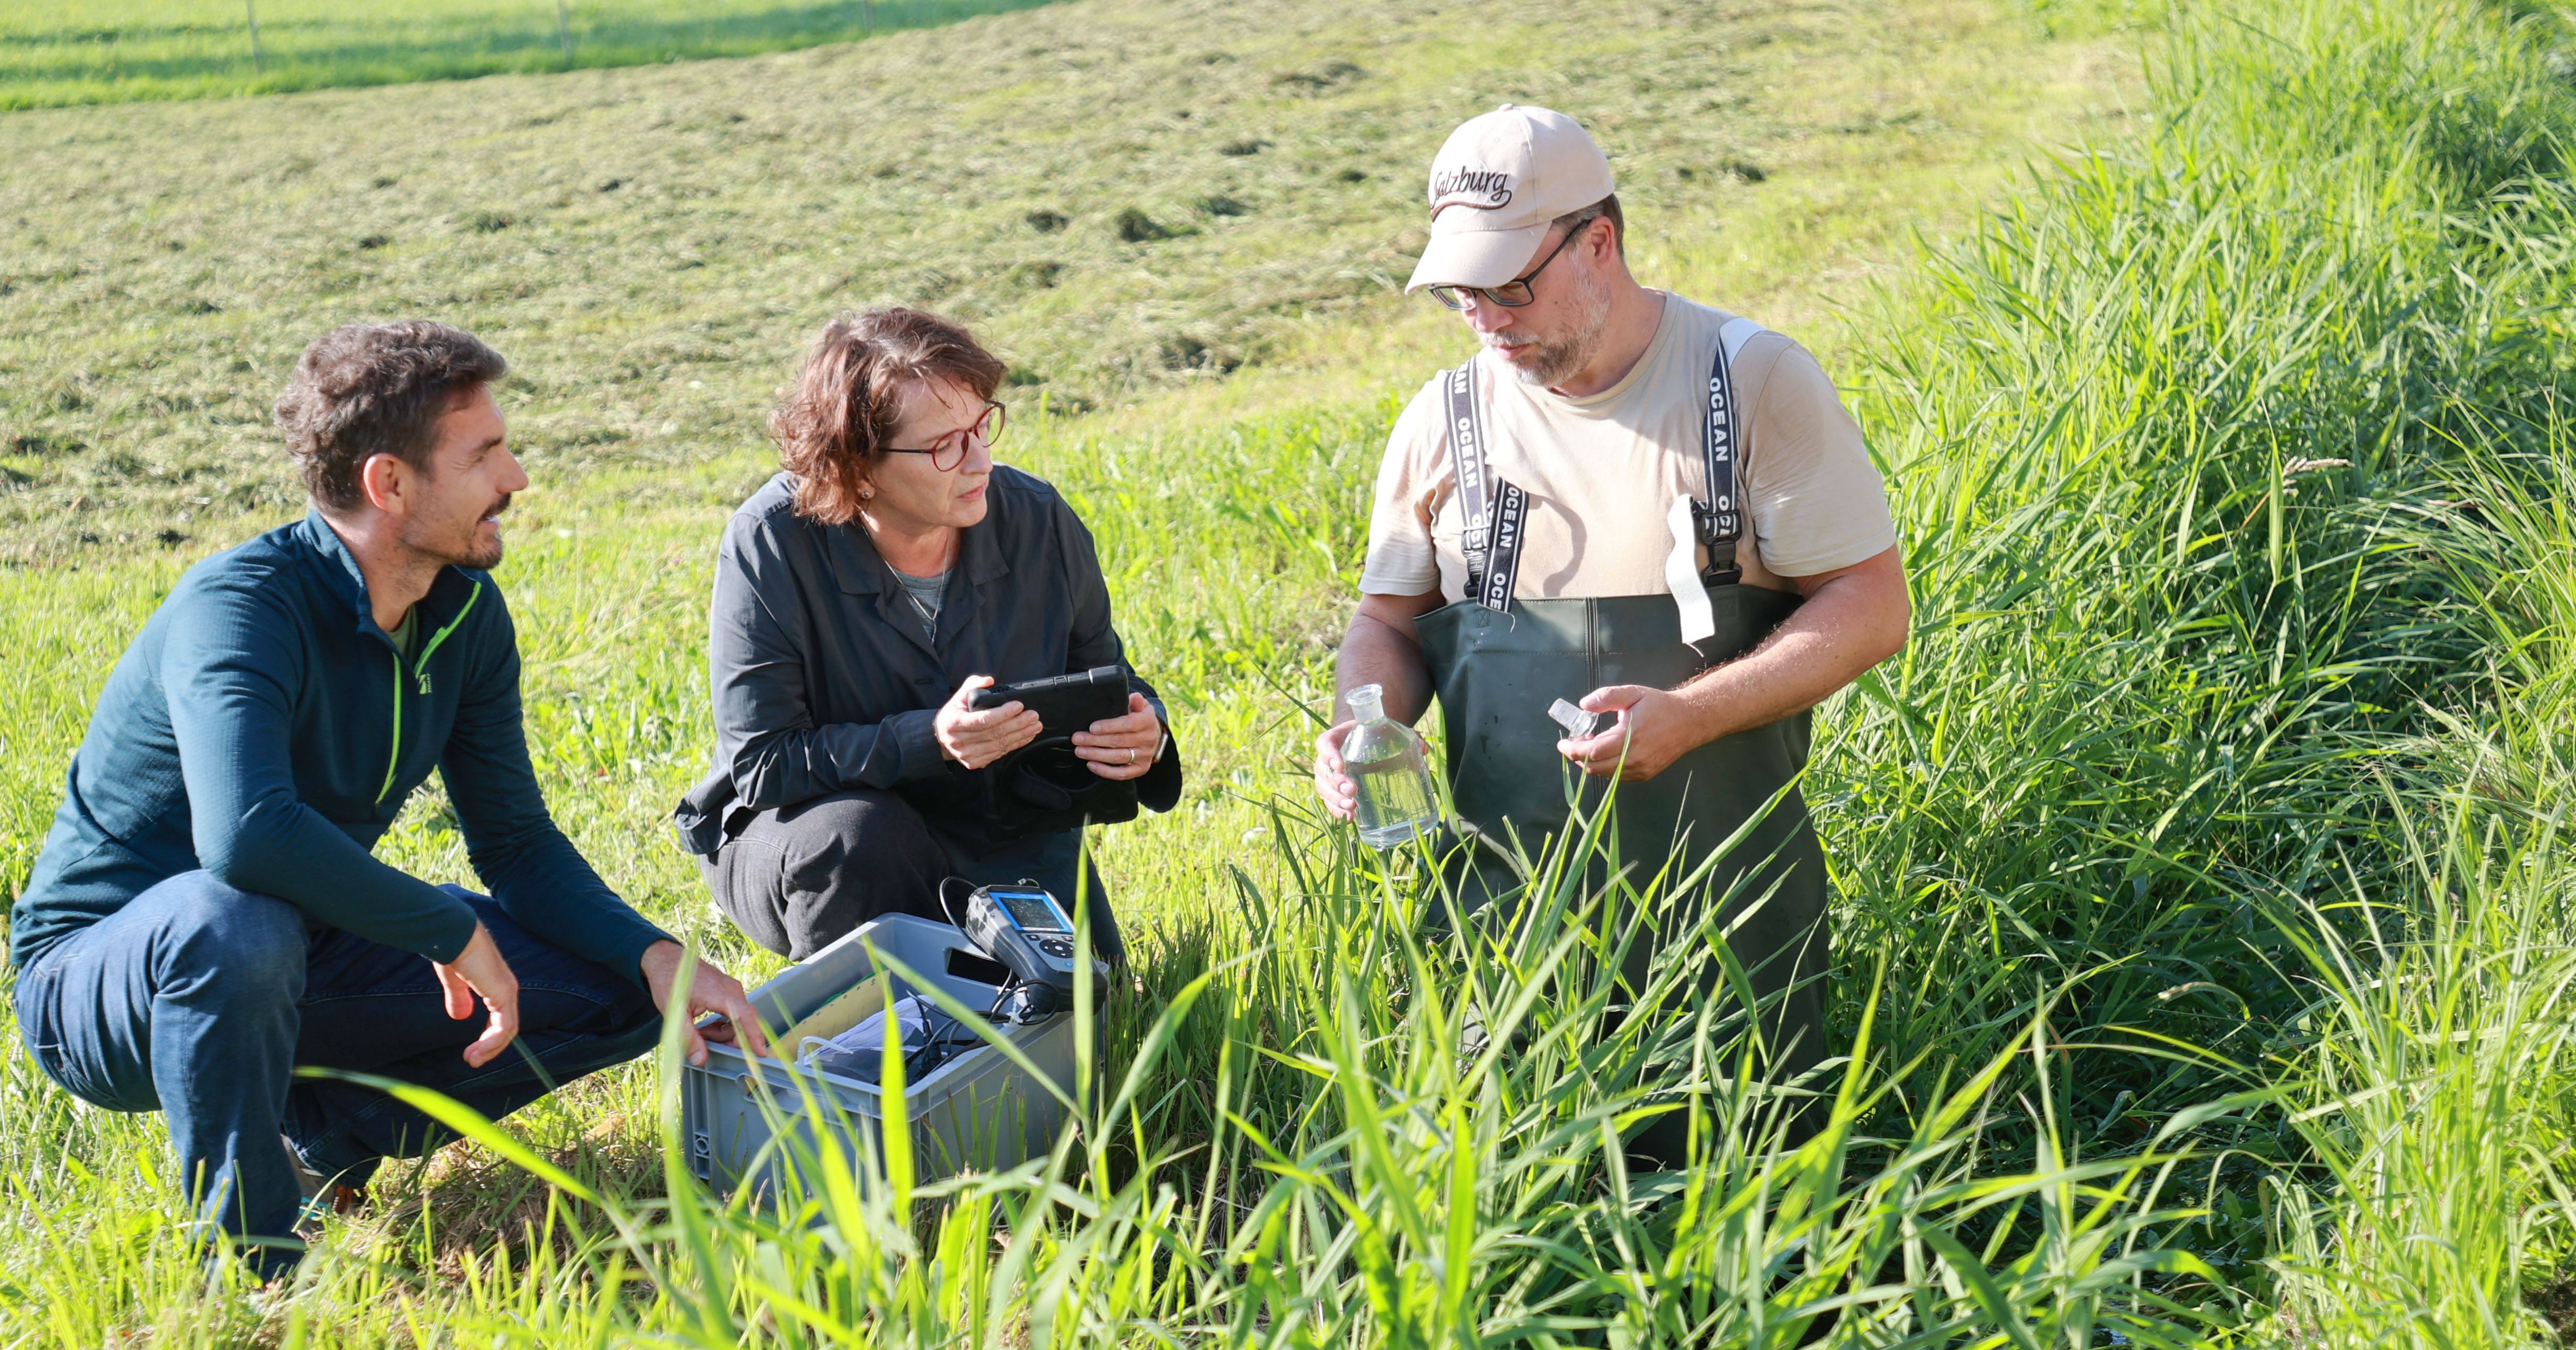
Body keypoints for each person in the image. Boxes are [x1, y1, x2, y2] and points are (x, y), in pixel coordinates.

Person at [8, 320, 767, 1277]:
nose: (517, 478)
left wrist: (655, 953)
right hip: (107, 976)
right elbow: (244, 837)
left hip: (299, 939)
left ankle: (322, 1148)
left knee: (618, 991)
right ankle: (251, 1265)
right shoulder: (240, 607)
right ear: (389, 483)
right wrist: (442, 930)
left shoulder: (461, 612)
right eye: (486, 454)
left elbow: (517, 842)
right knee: (230, 919)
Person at [1312, 104, 1910, 1097]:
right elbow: (1386, 620)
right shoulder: (1441, 419)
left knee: (1753, 1191)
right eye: (1461, 293)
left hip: (1735, 916)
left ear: (1599, 241)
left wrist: (1694, 713)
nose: (1485, 317)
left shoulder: (1748, 381)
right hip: (1508, 928)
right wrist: (1362, 722)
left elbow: (1870, 603)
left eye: (1509, 284)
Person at [674, 308, 1180, 964]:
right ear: (855, 466)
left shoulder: (1039, 521)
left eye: (982, 426)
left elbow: (1103, 679)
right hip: (807, 831)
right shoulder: (771, 541)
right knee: (858, 838)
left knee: (1085, 1026)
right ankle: (853, 1043)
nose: (981, 462)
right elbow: (764, 765)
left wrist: (1146, 730)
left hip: (996, 823)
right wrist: (931, 740)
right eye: (946, 445)